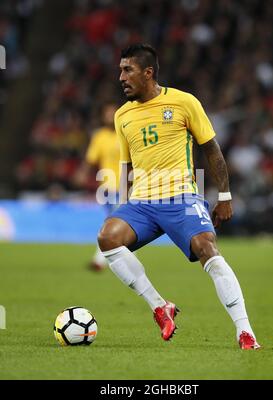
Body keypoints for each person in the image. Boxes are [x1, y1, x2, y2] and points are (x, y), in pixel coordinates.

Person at [98, 44, 261, 350]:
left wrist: (224, 194)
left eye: (127, 70)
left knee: (206, 247)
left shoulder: (184, 102)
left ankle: (245, 331)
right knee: (107, 237)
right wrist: (124, 200)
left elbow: (211, 148)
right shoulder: (122, 116)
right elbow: (126, 164)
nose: (121, 77)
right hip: (142, 203)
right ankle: (160, 307)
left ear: (148, 73)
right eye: (120, 69)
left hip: (181, 197)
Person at [75, 103, 120, 271]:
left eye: (112, 113)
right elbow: (91, 159)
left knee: (111, 223)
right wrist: (81, 173)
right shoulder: (99, 136)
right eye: (107, 113)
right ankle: (128, 256)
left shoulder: (126, 133)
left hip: (126, 187)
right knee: (115, 223)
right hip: (107, 187)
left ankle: (99, 259)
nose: (109, 116)